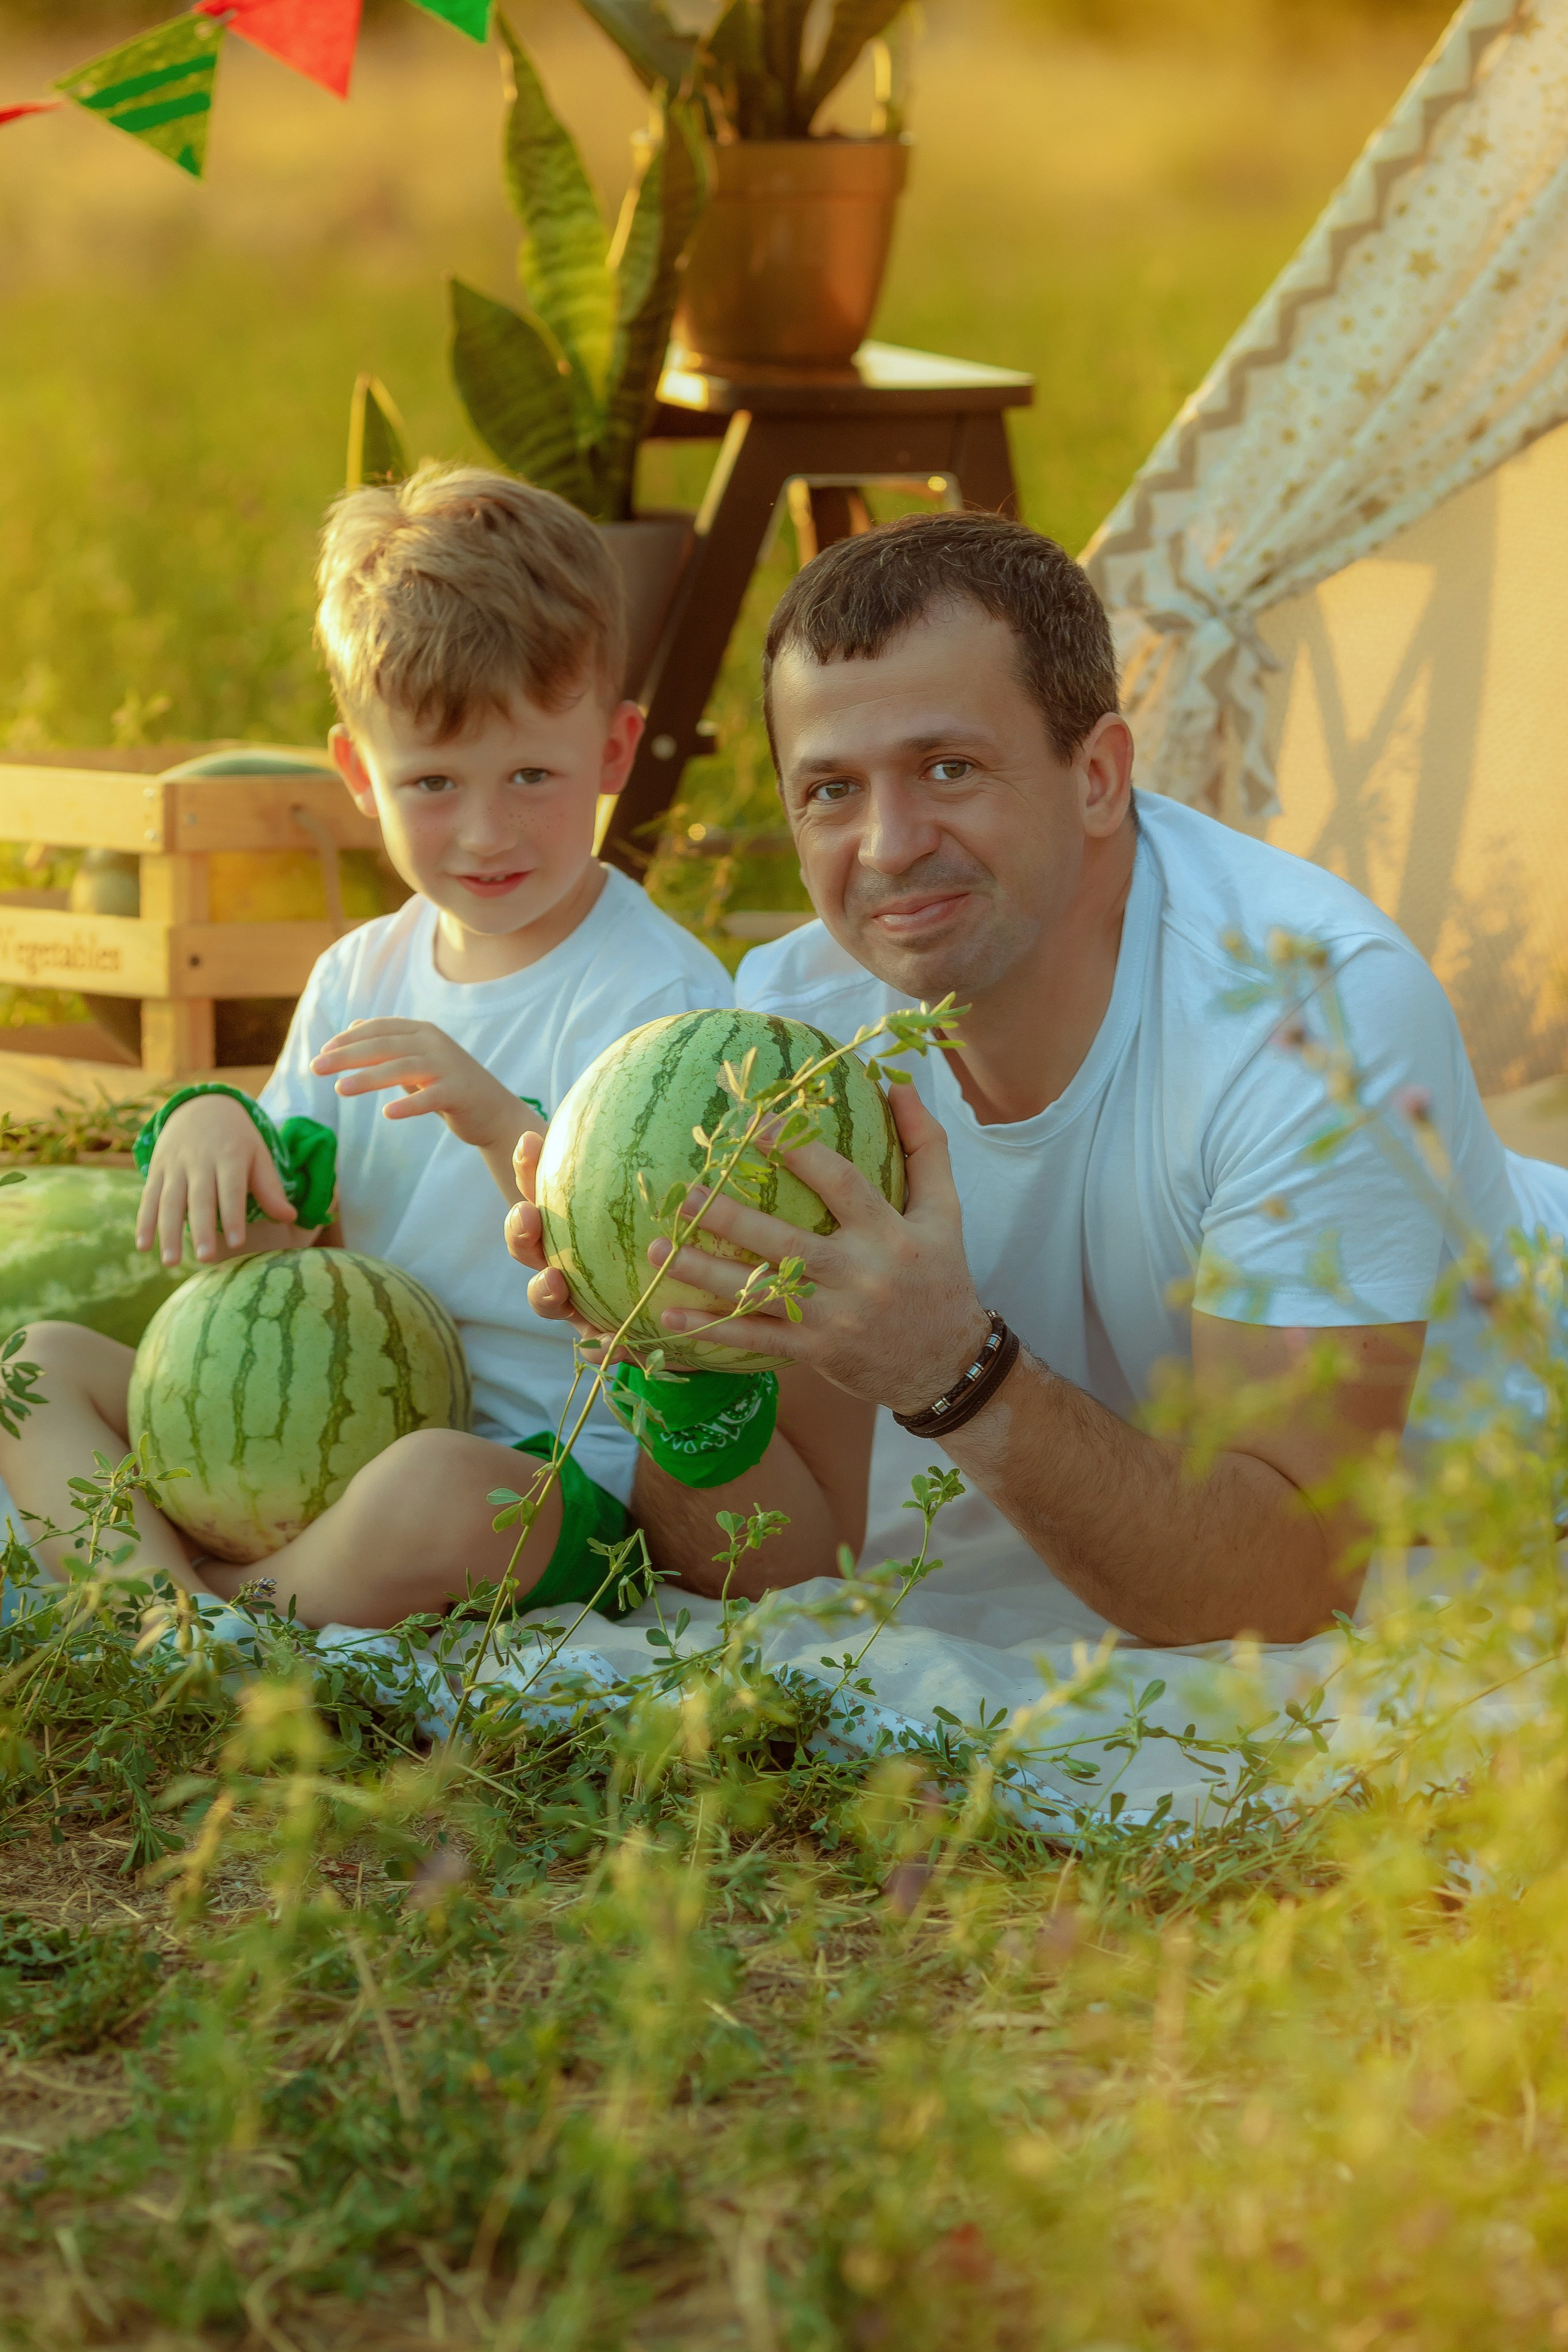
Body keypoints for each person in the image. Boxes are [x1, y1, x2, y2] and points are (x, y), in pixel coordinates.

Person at [505, 510, 1554, 1651]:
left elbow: (1287, 1582)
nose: (890, 844)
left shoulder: (1308, 1019)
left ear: (1098, 775)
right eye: (831, 792)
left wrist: (952, 1367)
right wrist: (681, 1370)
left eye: (947, 768)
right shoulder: (799, 1035)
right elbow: (788, 1563)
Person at [1, 464, 731, 1627]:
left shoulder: (661, 996)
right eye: (433, 782)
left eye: (531, 775)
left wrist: (507, 1129)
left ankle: (201, 1616)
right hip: (328, 1442)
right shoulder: (358, 976)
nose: (486, 831)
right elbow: (288, 1231)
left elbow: (647, 1292)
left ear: (613, 750)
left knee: (434, 1488)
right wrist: (210, 1125)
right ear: (356, 773)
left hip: (548, 1477)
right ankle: (171, 1616)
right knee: (28, 1364)